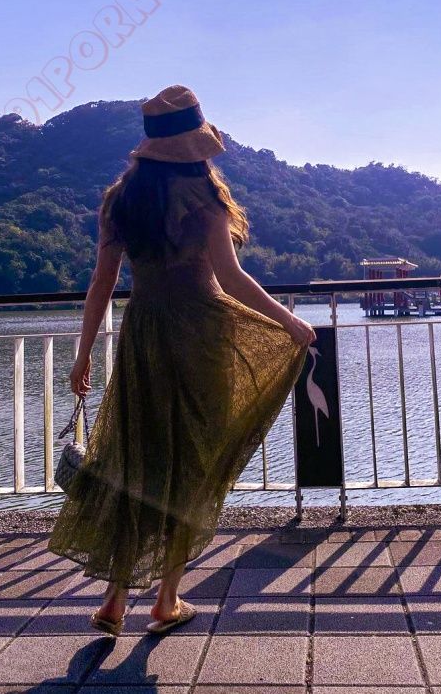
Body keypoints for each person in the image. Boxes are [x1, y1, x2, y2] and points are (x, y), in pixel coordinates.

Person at [47, 84, 315, 637]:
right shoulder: (204, 198)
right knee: (192, 462)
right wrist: (288, 322)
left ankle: (115, 599)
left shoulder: (121, 199)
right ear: (195, 146)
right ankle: (166, 599)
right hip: (201, 335)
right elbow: (231, 278)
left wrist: (83, 354)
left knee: (135, 460)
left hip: (144, 336)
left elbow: (102, 282)